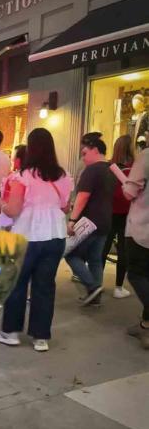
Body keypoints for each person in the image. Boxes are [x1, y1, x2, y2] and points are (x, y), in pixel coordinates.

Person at [0, 128, 72, 352]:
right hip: (55, 235)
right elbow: (65, 206)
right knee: (45, 286)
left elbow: (14, 209)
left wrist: (0, 205)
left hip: (28, 235)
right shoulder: (62, 176)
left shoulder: (23, 176)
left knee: (17, 284)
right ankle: (40, 338)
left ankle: (11, 332)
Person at [65, 132, 116, 307]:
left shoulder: (92, 170)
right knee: (95, 258)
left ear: (95, 150)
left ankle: (93, 286)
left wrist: (72, 220)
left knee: (71, 254)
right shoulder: (111, 169)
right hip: (105, 220)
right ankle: (95, 296)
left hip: (89, 221)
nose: (83, 157)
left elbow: (82, 197)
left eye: (84, 153)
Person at [122, 146, 149, 349]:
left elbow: (130, 192)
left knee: (137, 274)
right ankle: (145, 325)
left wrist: (125, 183)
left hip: (143, 227)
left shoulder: (146, 156)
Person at [103, 134, 134, 298]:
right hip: (127, 212)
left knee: (104, 247)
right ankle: (118, 287)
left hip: (109, 211)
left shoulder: (109, 165)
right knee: (123, 250)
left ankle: (96, 284)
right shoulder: (135, 166)